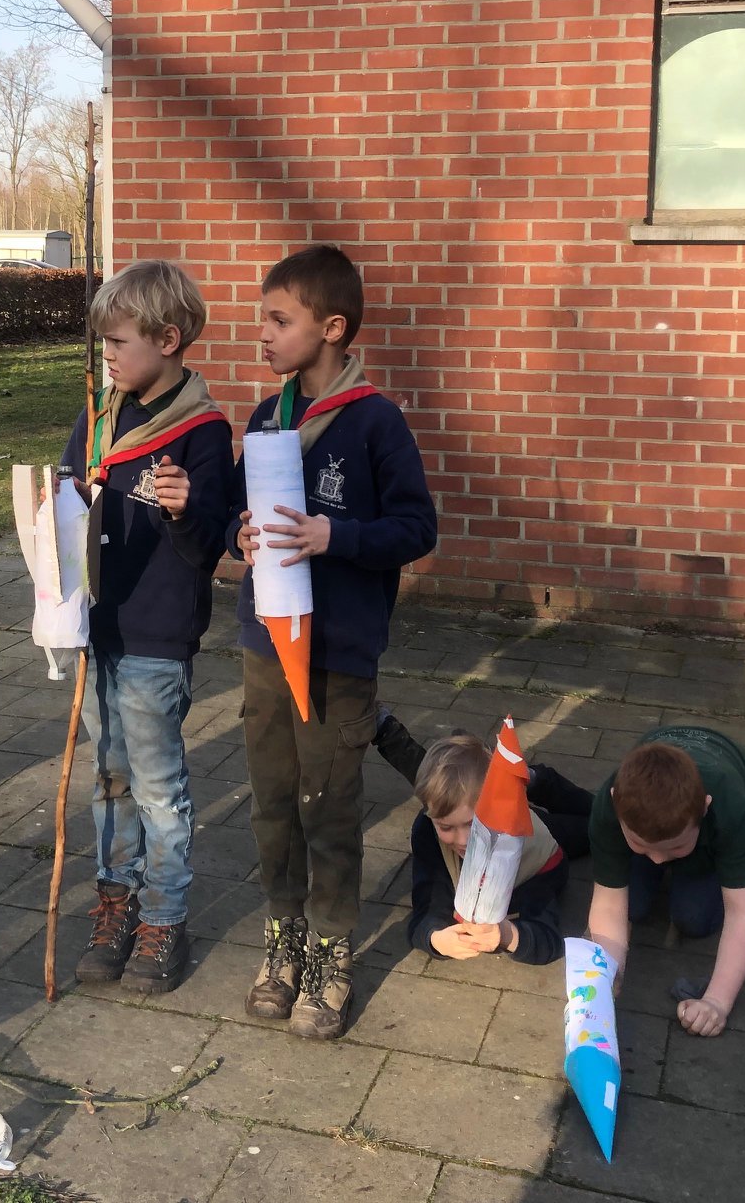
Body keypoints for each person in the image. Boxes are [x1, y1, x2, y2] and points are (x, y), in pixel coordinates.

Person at [231, 244, 438, 1040]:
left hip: (338, 651)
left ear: (333, 328)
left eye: (279, 321)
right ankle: (282, 934)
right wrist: (239, 532)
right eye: (263, 319)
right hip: (264, 640)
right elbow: (233, 513)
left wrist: (334, 535)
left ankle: (330, 946)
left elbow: (416, 528)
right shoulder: (264, 417)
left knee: (328, 802)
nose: (263, 334)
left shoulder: (376, 422)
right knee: (274, 798)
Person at [59, 260, 232, 994]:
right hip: (99, 627)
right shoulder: (101, 416)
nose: (108, 358)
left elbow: (208, 548)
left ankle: (165, 916)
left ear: (168, 339)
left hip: (158, 636)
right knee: (109, 779)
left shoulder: (203, 430)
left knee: (158, 787)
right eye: (102, 345)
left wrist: (188, 508)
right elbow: (69, 495)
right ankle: (115, 903)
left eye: (118, 343)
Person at [584, 726, 745, 1038]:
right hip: (665, 801)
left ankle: (734, 865)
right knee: (633, 907)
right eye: (642, 846)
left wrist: (717, 1002)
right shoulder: (608, 804)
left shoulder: (729, 807)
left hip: (729, 774)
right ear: (615, 806)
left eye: (675, 848)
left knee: (693, 918)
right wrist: (606, 977)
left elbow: (744, 913)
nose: (658, 859)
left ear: (705, 807)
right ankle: (662, 846)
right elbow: (609, 903)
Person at [407, 731, 593, 966]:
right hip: (513, 820)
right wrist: (435, 939)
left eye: (473, 825)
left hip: (536, 844)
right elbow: (426, 906)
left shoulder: (534, 861)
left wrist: (507, 934)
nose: (463, 840)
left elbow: (548, 941)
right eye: (447, 827)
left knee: (598, 827)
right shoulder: (427, 828)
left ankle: (532, 779)